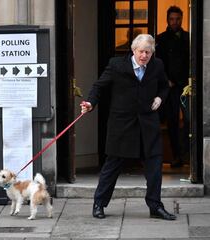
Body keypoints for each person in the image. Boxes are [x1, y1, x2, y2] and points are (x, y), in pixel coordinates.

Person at [81, 34, 176, 220]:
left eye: (148, 52)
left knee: (155, 167)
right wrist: (90, 103)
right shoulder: (117, 65)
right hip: (122, 124)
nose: (144, 56)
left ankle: (155, 206)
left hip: (148, 124)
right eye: (141, 52)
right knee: (112, 166)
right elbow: (99, 87)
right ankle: (99, 203)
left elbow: (165, 86)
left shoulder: (157, 65)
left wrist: (159, 98)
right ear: (134, 51)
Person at [156, 6, 190, 168]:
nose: (175, 22)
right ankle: (176, 155)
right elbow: (158, 63)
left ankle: (187, 154)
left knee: (190, 120)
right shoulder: (161, 39)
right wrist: (166, 80)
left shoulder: (188, 38)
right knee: (172, 122)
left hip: (186, 86)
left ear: (182, 19)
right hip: (169, 86)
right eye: (172, 19)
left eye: (177, 19)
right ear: (167, 20)